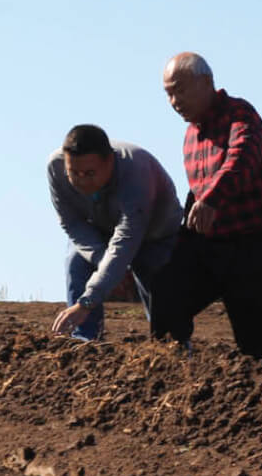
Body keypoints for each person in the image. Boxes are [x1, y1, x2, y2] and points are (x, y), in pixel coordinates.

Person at [154, 52, 262, 367]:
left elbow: (242, 159)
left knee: (260, 345)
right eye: (168, 93)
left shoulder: (240, 114)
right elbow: (197, 192)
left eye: (180, 90)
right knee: (166, 298)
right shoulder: (192, 134)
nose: (174, 101)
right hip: (213, 244)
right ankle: (173, 370)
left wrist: (212, 199)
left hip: (259, 244)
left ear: (206, 83)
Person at [47, 124, 183, 342]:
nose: (81, 181)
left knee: (154, 276)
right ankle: (84, 343)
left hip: (155, 234)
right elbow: (72, 223)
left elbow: (127, 238)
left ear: (110, 161)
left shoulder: (136, 171)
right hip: (102, 230)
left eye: (90, 173)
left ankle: (171, 345)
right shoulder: (56, 167)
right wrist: (103, 261)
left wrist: (87, 302)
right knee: (76, 260)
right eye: (74, 173)